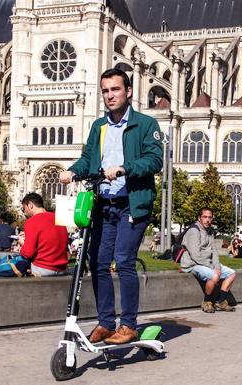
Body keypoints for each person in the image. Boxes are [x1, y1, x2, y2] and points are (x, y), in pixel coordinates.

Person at [59, 68, 163, 345]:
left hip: (132, 203)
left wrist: (125, 169)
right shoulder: (99, 126)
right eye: (105, 91)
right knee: (98, 263)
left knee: (125, 261)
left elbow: (155, 161)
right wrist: (72, 171)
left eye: (115, 89)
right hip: (103, 204)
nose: (110, 96)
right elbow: (87, 160)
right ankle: (106, 323)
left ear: (128, 91)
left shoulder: (145, 124)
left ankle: (128, 325)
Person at [181, 207, 237, 313]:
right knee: (214, 276)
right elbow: (195, 255)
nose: (207, 219)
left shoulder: (210, 231)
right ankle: (207, 302)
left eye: (210, 217)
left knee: (232, 273)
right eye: (205, 217)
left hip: (207, 263)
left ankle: (220, 302)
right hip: (192, 264)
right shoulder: (194, 231)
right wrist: (213, 268)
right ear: (199, 218)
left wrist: (217, 266)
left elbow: (214, 251)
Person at [17, 193, 68, 276]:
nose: (24, 213)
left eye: (23, 209)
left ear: (30, 205)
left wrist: (22, 243)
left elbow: (27, 253)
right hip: (62, 268)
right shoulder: (59, 219)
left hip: (42, 268)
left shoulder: (31, 221)